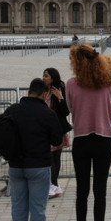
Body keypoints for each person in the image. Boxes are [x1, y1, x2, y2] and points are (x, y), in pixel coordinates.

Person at [66, 43, 111, 221]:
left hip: (81, 140)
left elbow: (71, 108)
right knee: (100, 191)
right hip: (102, 140)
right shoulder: (110, 84)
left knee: (82, 190)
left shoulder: (71, 84)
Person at [3, 78, 62, 221]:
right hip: (39, 166)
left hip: (16, 165)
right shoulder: (47, 113)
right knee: (37, 208)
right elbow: (56, 140)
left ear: (29, 91)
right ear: (45, 94)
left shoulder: (13, 110)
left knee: (18, 207)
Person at [43, 67, 71, 198]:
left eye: (46, 76)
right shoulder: (43, 90)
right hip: (45, 129)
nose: (44, 78)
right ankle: (51, 185)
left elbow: (66, 112)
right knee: (49, 157)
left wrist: (60, 98)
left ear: (53, 77)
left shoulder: (59, 89)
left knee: (56, 157)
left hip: (57, 129)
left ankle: (54, 184)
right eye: (44, 75)